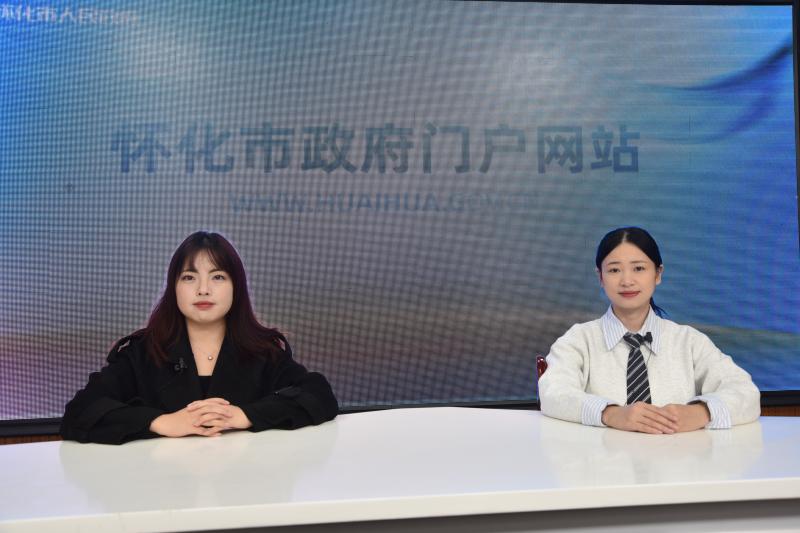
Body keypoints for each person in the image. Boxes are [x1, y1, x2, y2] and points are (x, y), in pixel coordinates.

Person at [61, 231, 339, 444]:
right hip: (160, 489)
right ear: (174, 288)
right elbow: (80, 412)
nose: (203, 289)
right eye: (189, 277)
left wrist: (244, 416)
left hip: (245, 486)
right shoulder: (142, 352)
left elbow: (318, 395)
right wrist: (161, 422)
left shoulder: (263, 351)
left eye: (218, 277)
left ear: (236, 288)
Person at [538, 227, 760, 434]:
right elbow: (553, 393)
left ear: (658, 274)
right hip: (601, 461)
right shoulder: (579, 339)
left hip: (678, 459)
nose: (627, 281)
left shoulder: (689, 341)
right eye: (614, 270)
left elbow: (745, 392)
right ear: (600, 277)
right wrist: (610, 414)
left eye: (639, 268)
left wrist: (700, 413)